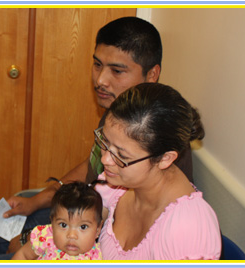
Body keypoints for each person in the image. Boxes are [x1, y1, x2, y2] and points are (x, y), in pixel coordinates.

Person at [0, 16, 195, 259]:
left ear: (151, 75)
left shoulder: (155, 138)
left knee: (11, 244)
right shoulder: (117, 114)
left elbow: (123, 231)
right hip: (86, 205)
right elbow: (93, 164)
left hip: (97, 232)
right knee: (2, 221)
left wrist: (32, 241)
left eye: (117, 70)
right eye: (97, 65)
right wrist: (41, 198)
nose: (100, 80)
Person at [94, 82, 221, 260]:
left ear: (164, 158)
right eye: (105, 142)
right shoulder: (117, 184)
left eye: (121, 155)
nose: (105, 159)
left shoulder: (187, 228)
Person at [11, 181, 103, 260]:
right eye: (63, 225)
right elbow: (23, 255)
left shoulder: (98, 256)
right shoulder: (46, 237)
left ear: (98, 229)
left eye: (83, 227)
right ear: (52, 223)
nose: (71, 235)